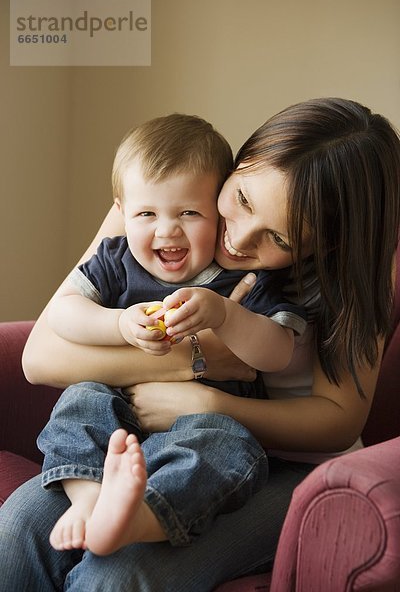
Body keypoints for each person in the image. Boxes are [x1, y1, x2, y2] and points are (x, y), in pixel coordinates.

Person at [1, 97, 399, 592]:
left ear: (327, 245)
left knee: (123, 571)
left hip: (278, 461)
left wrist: (211, 400)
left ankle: (134, 518)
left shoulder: (359, 273)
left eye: (280, 238)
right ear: (242, 161)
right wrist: (191, 360)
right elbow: (41, 356)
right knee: (19, 524)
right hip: (154, 434)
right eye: (244, 200)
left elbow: (338, 422)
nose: (239, 240)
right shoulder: (170, 195)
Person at [38, 113, 307, 555]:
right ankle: (88, 501)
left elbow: (277, 354)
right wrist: (119, 323)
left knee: (229, 445)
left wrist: (225, 316)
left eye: (189, 212)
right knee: (80, 398)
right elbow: (62, 315)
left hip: (203, 424)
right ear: (123, 214)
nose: (167, 230)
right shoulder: (115, 258)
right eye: (147, 213)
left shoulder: (241, 278)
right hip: (120, 416)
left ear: (217, 209)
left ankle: (141, 517)